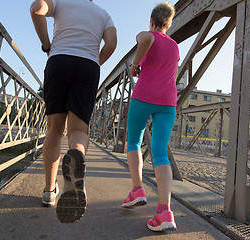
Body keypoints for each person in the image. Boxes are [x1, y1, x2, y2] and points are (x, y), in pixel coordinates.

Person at [30, 0, 117, 223]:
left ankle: (49, 192)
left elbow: (36, 8)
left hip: (59, 61)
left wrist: (46, 46)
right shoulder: (103, 14)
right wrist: (96, 61)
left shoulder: (60, 2)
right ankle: (76, 155)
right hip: (88, 66)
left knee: (55, 129)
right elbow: (111, 43)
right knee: (78, 130)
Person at [121, 2, 179, 232]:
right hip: (167, 103)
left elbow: (146, 39)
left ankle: (137, 190)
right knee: (160, 152)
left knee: (134, 141)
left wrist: (135, 64)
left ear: (153, 22)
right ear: (169, 23)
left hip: (143, 97)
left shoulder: (148, 35)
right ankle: (164, 211)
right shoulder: (175, 46)